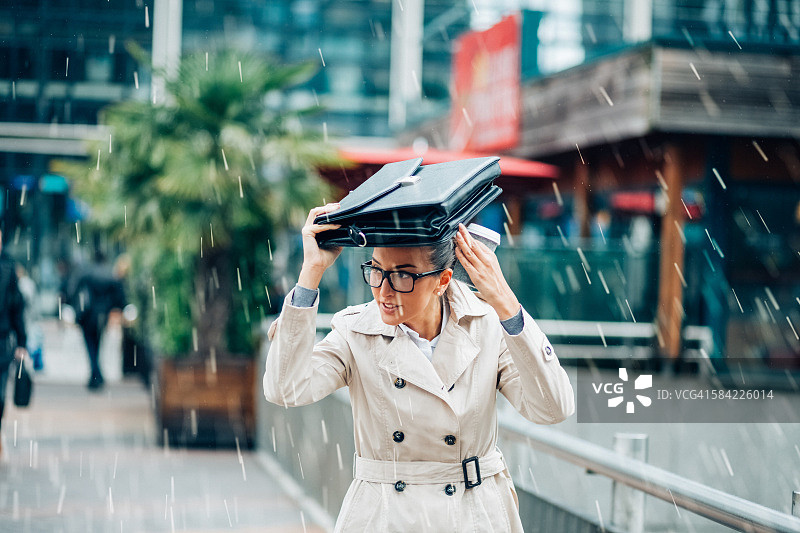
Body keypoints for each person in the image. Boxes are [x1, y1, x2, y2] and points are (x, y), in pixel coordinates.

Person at [264, 204, 575, 531]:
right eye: (376, 269)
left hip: (475, 515)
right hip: (386, 516)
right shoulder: (357, 331)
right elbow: (286, 389)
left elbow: (553, 408)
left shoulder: (486, 326)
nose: (383, 291)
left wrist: (507, 305)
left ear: (442, 281)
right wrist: (311, 272)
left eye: (402, 275)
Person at [70, 251, 126, 390]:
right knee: (98, 344)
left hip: (87, 314)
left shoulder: (86, 273)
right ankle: (96, 375)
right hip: (102, 315)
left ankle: (95, 375)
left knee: (90, 345)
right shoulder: (109, 275)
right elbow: (119, 296)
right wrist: (115, 307)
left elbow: (73, 290)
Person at [0, 229, 28, 457]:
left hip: (2, 340)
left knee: (0, 394)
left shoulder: (8, 270)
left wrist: (21, 341)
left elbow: (17, 306)